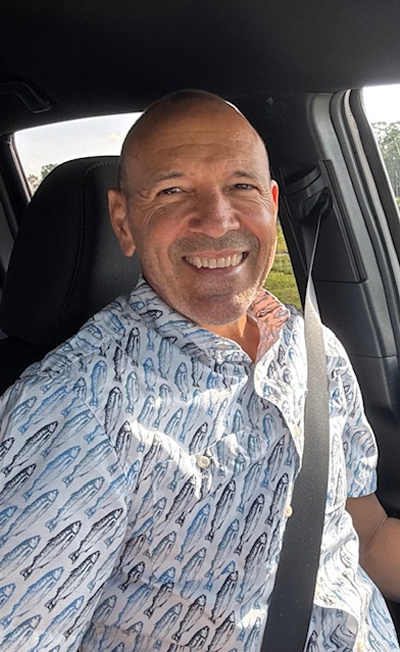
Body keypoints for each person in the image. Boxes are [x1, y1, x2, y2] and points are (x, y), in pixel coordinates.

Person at [0, 89, 399, 652]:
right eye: (173, 191)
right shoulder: (75, 406)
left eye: (241, 186)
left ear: (272, 203)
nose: (216, 220)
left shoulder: (316, 349)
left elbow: (367, 534)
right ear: (124, 221)